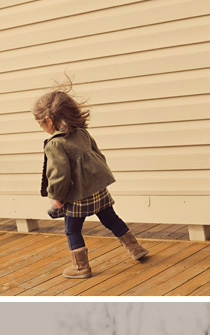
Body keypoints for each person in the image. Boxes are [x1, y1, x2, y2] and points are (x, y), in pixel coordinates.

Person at [33, 77, 149, 280]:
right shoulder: (82, 133)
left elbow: (59, 175)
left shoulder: (55, 144)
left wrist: (56, 197)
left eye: (40, 123)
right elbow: (99, 157)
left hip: (77, 198)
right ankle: (135, 248)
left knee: (72, 230)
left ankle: (81, 267)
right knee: (111, 219)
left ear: (49, 121)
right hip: (99, 192)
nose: (42, 127)